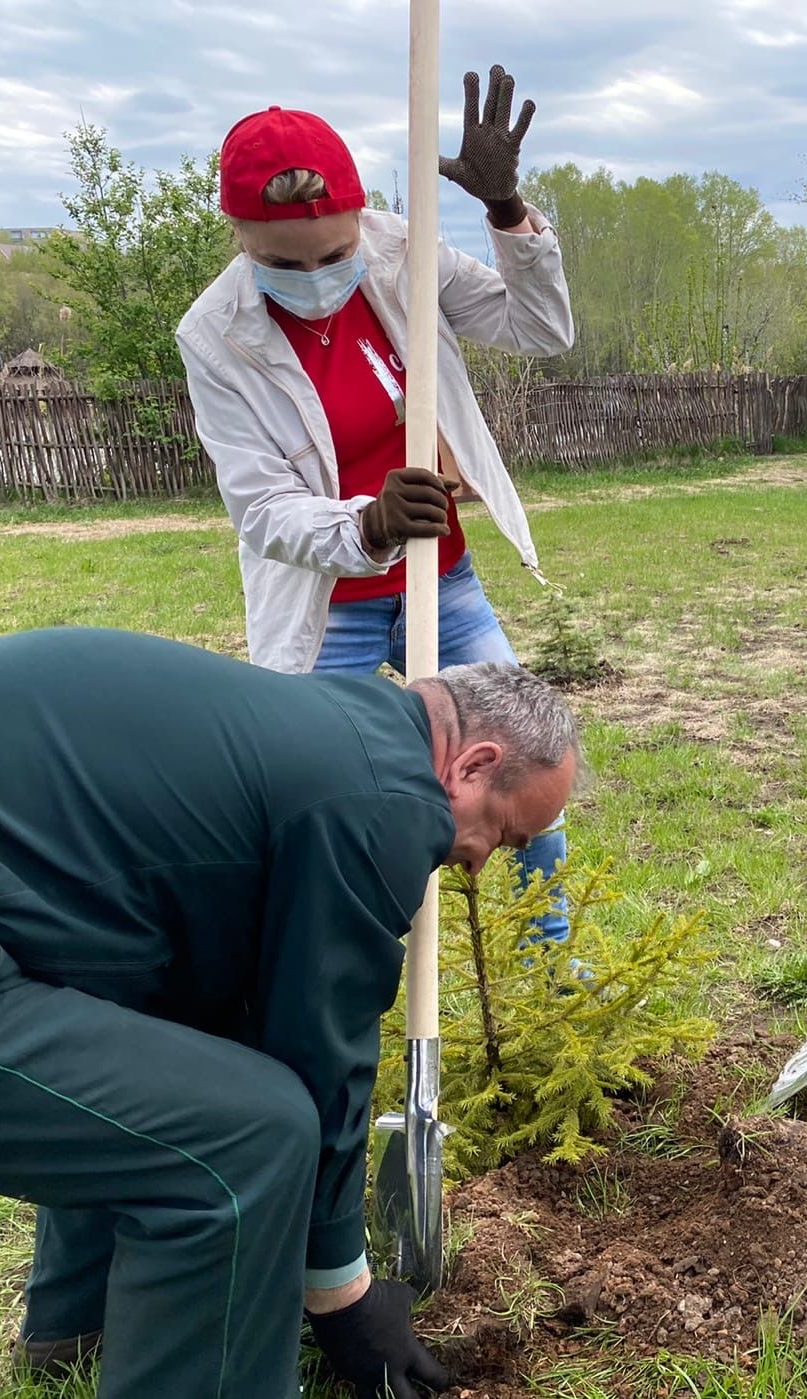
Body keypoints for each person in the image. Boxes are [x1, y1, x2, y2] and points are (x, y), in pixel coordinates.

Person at [0, 628, 582, 1399]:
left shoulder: (334, 728)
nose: (477, 864)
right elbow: (324, 1050)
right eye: (503, 834)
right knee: (246, 1138)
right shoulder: (384, 798)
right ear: (472, 766)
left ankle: (83, 1332)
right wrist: (343, 1296)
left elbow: (224, 997)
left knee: (162, 1056)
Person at [177, 65, 575, 944]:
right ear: (236, 232)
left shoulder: (407, 248)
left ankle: (556, 976)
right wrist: (366, 522)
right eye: (283, 261)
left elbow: (540, 329)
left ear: (362, 215)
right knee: (316, 804)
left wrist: (509, 214)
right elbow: (260, 507)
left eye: (333, 251)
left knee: (527, 775)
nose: (316, 276)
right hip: (329, 611)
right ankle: (332, 974)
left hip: (447, 578)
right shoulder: (214, 335)